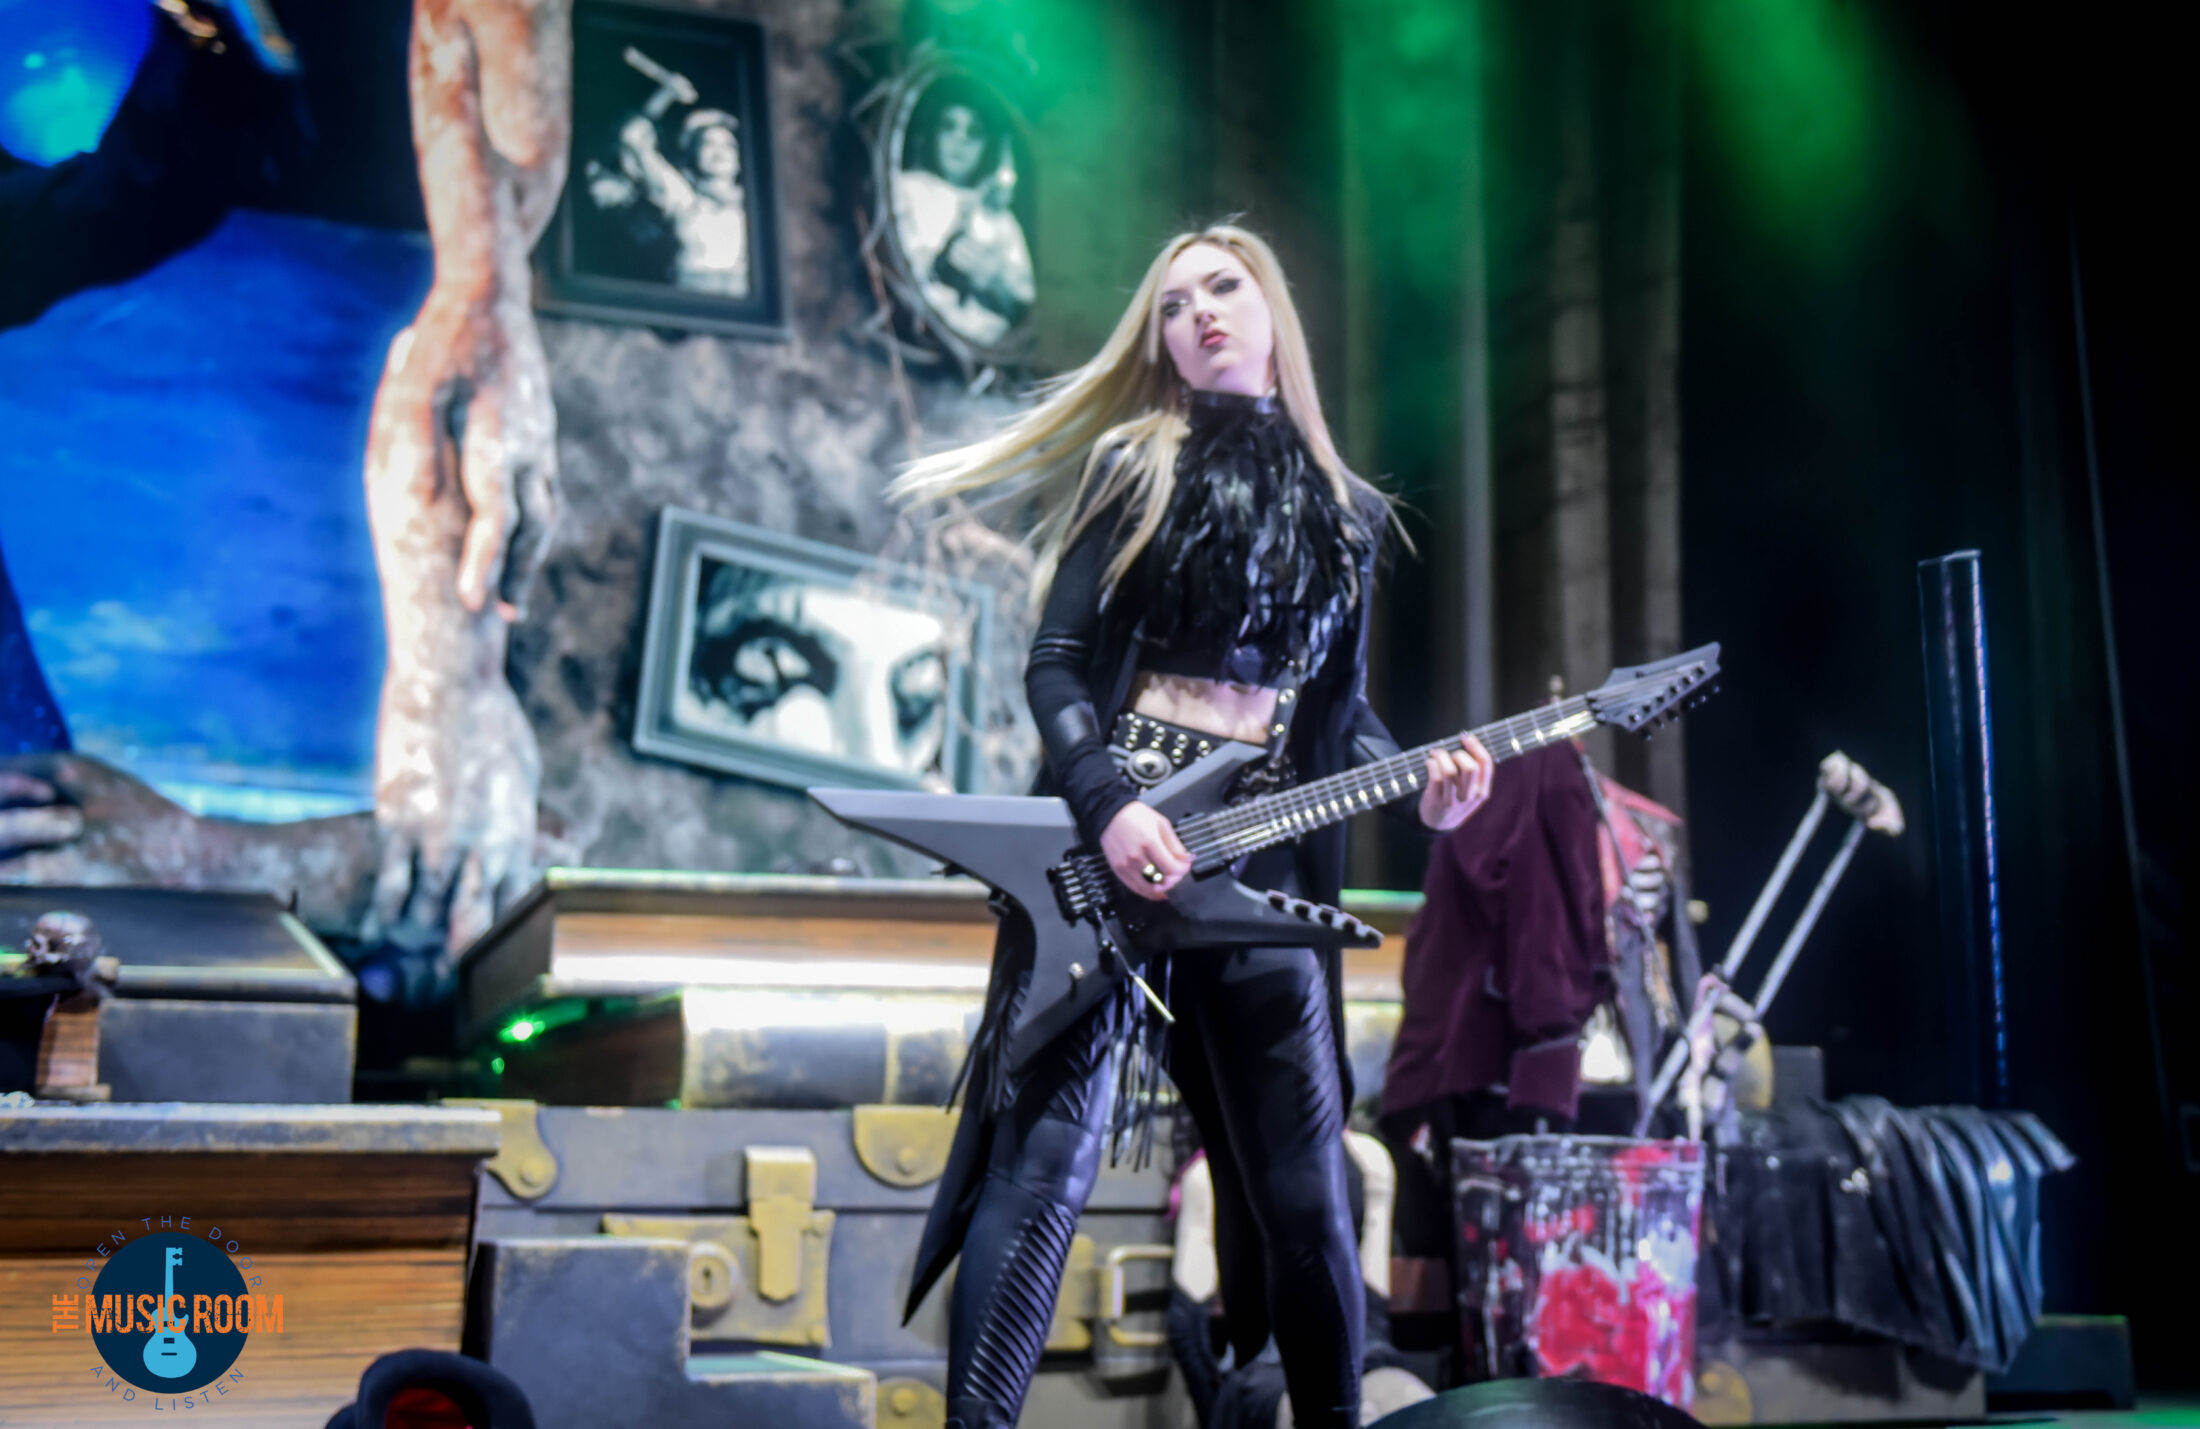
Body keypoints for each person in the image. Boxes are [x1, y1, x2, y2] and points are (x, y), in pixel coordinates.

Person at [889, 224, 1497, 1429]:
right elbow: (1057, 663)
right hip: (1108, 846)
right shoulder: (1137, 464)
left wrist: (1422, 791)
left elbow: (1337, 720)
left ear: (1272, 309)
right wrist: (1109, 805)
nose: (1200, 313)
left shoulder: (1349, 510)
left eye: (1222, 288)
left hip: (1255, 856)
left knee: (1308, 1195)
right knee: (1041, 1168)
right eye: (1173, 304)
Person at [891, 93, 1033, 347]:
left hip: (984, 354)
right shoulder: (906, 189)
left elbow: (1025, 306)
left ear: (987, 144)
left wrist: (997, 281)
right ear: (934, 133)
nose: (960, 139)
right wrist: (940, 264)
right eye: (949, 126)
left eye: (974, 132)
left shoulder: (1002, 220)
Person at [615, 101, 749, 297]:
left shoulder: (755, 207)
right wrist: (667, 95)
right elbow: (634, 137)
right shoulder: (683, 196)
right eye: (708, 143)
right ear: (694, 154)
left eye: (729, 145)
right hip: (693, 299)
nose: (719, 151)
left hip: (742, 305)